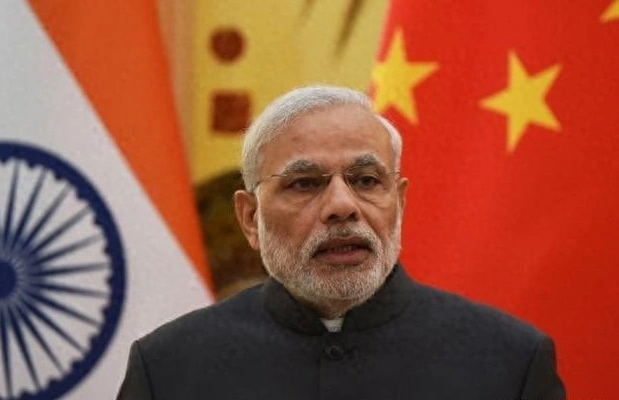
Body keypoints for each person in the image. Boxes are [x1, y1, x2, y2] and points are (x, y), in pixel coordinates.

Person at [116, 86, 565, 399]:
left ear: (399, 203)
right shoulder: (169, 369)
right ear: (250, 217)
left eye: (366, 180)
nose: (342, 206)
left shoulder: (511, 363)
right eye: (305, 183)